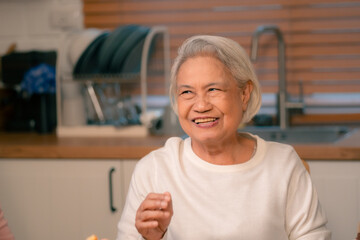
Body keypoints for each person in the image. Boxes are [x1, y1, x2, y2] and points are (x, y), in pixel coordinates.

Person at [116, 35, 331, 240]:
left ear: (244, 94)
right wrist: (149, 237)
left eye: (213, 89)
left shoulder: (283, 163)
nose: (200, 106)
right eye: (187, 92)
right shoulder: (154, 169)